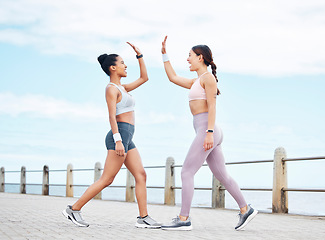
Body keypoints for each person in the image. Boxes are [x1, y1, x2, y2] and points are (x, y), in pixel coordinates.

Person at [160, 36, 257, 231]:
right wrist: (164, 54)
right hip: (206, 130)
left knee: (186, 171)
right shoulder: (196, 81)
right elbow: (172, 77)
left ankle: (183, 218)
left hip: (207, 129)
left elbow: (212, 107)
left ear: (200, 57)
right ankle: (245, 209)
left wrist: (209, 133)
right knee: (223, 176)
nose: (187, 59)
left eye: (190, 56)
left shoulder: (208, 78)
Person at [62, 42, 161, 229]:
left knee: (141, 175)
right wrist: (118, 140)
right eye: (123, 63)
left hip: (127, 136)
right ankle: (73, 209)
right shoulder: (111, 89)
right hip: (120, 135)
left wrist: (140, 56)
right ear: (113, 67)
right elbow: (111, 115)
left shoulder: (123, 88)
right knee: (107, 179)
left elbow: (144, 78)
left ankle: (143, 217)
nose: (125, 66)